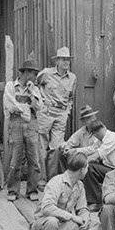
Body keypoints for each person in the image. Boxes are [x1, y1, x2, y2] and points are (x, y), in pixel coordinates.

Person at [32, 152, 109, 230]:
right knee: (52, 221)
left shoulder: (79, 185)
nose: (88, 170)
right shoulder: (56, 182)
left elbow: (82, 208)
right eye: (87, 167)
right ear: (82, 169)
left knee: (94, 223)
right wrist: (73, 217)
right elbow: (46, 208)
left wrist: (84, 219)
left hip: (64, 227)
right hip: (42, 226)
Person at [3, 56, 43, 201]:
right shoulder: (10, 86)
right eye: (34, 73)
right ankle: (13, 190)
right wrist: (25, 108)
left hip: (32, 125)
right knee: (16, 159)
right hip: (16, 125)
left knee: (34, 159)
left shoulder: (35, 89)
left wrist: (32, 93)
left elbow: (39, 107)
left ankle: (32, 190)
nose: (35, 76)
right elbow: (10, 105)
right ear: (26, 72)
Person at [37, 46, 77, 182]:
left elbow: (71, 97)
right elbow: (35, 86)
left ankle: (52, 179)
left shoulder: (72, 78)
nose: (66, 62)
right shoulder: (46, 74)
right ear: (57, 61)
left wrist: (67, 111)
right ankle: (41, 179)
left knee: (56, 148)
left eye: (68, 60)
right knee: (42, 146)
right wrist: (41, 104)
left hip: (61, 114)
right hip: (46, 113)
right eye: (63, 59)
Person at [80, 121, 115, 206]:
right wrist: (75, 151)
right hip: (110, 167)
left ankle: (95, 202)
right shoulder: (102, 138)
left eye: (95, 134)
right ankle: (94, 196)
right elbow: (91, 149)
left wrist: (81, 163)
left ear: (95, 133)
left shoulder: (112, 138)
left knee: (90, 168)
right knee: (91, 165)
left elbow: (96, 155)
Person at [52, 104, 101, 175]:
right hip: (83, 158)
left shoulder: (98, 129)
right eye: (88, 118)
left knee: (79, 159)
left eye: (92, 117)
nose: (92, 120)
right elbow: (71, 142)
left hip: (95, 159)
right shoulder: (82, 131)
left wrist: (75, 151)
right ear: (84, 122)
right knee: (61, 153)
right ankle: (65, 177)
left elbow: (94, 149)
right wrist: (65, 148)